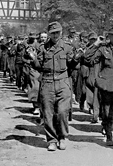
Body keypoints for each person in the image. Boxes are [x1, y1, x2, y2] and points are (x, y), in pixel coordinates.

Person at [30, 21, 80, 151]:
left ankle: (62, 136)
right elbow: (39, 67)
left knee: (63, 112)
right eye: (53, 33)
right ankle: (52, 140)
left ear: (61, 32)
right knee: (48, 113)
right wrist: (33, 59)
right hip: (47, 83)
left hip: (63, 82)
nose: (55, 35)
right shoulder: (43, 48)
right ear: (49, 34)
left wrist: (76, 59)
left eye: (57, 32)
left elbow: (72, 66)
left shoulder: (68, 47)